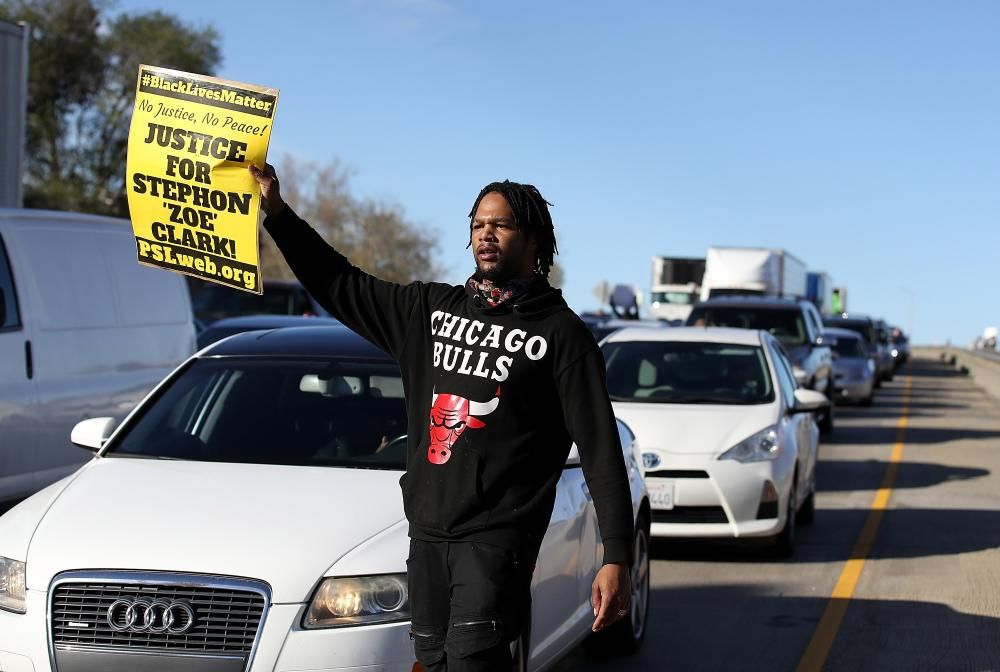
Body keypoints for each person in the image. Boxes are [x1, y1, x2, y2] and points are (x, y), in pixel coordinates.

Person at [251, 164, 634, 671]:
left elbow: (601, 450)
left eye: (500, 225)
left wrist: (617, 556)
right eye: (477, 225)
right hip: (427, 535)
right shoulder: (428, 311)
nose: (485, 235)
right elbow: (339, 282)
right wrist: (277, 214)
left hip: (497, 544)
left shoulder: (562, 336)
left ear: (535, 241)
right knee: (432, 664)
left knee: (474, 663)